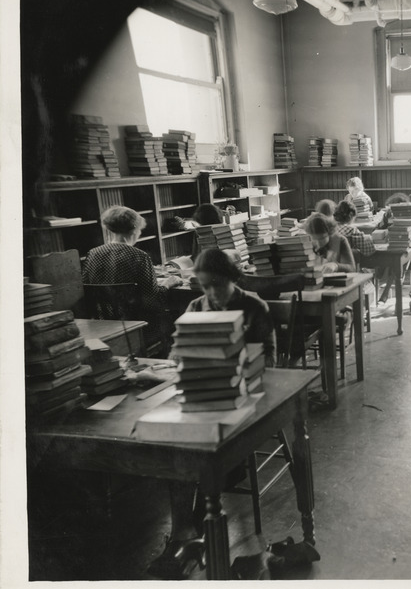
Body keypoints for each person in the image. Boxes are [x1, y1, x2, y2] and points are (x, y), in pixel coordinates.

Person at [148, 249, 276, 579]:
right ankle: (185, 534)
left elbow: (270, 364)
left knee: (204, 453)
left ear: (234, 278)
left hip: (246, 402)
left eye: (217, 286)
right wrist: (183, 360)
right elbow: (178, 352)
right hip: (204, 398)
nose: (211, 295)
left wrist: (236, 368)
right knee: (175, 445)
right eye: (204, 287)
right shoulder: (195, 307)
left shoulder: (254, 306)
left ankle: (189, 536)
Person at [82, 205, 182, 352]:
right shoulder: (139, 256)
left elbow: (85, 287)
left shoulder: (93, 253)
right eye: (140, 230)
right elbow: (151, 300)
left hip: (101, 321)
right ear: (135, 229)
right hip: (136, 321)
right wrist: (168, 283)